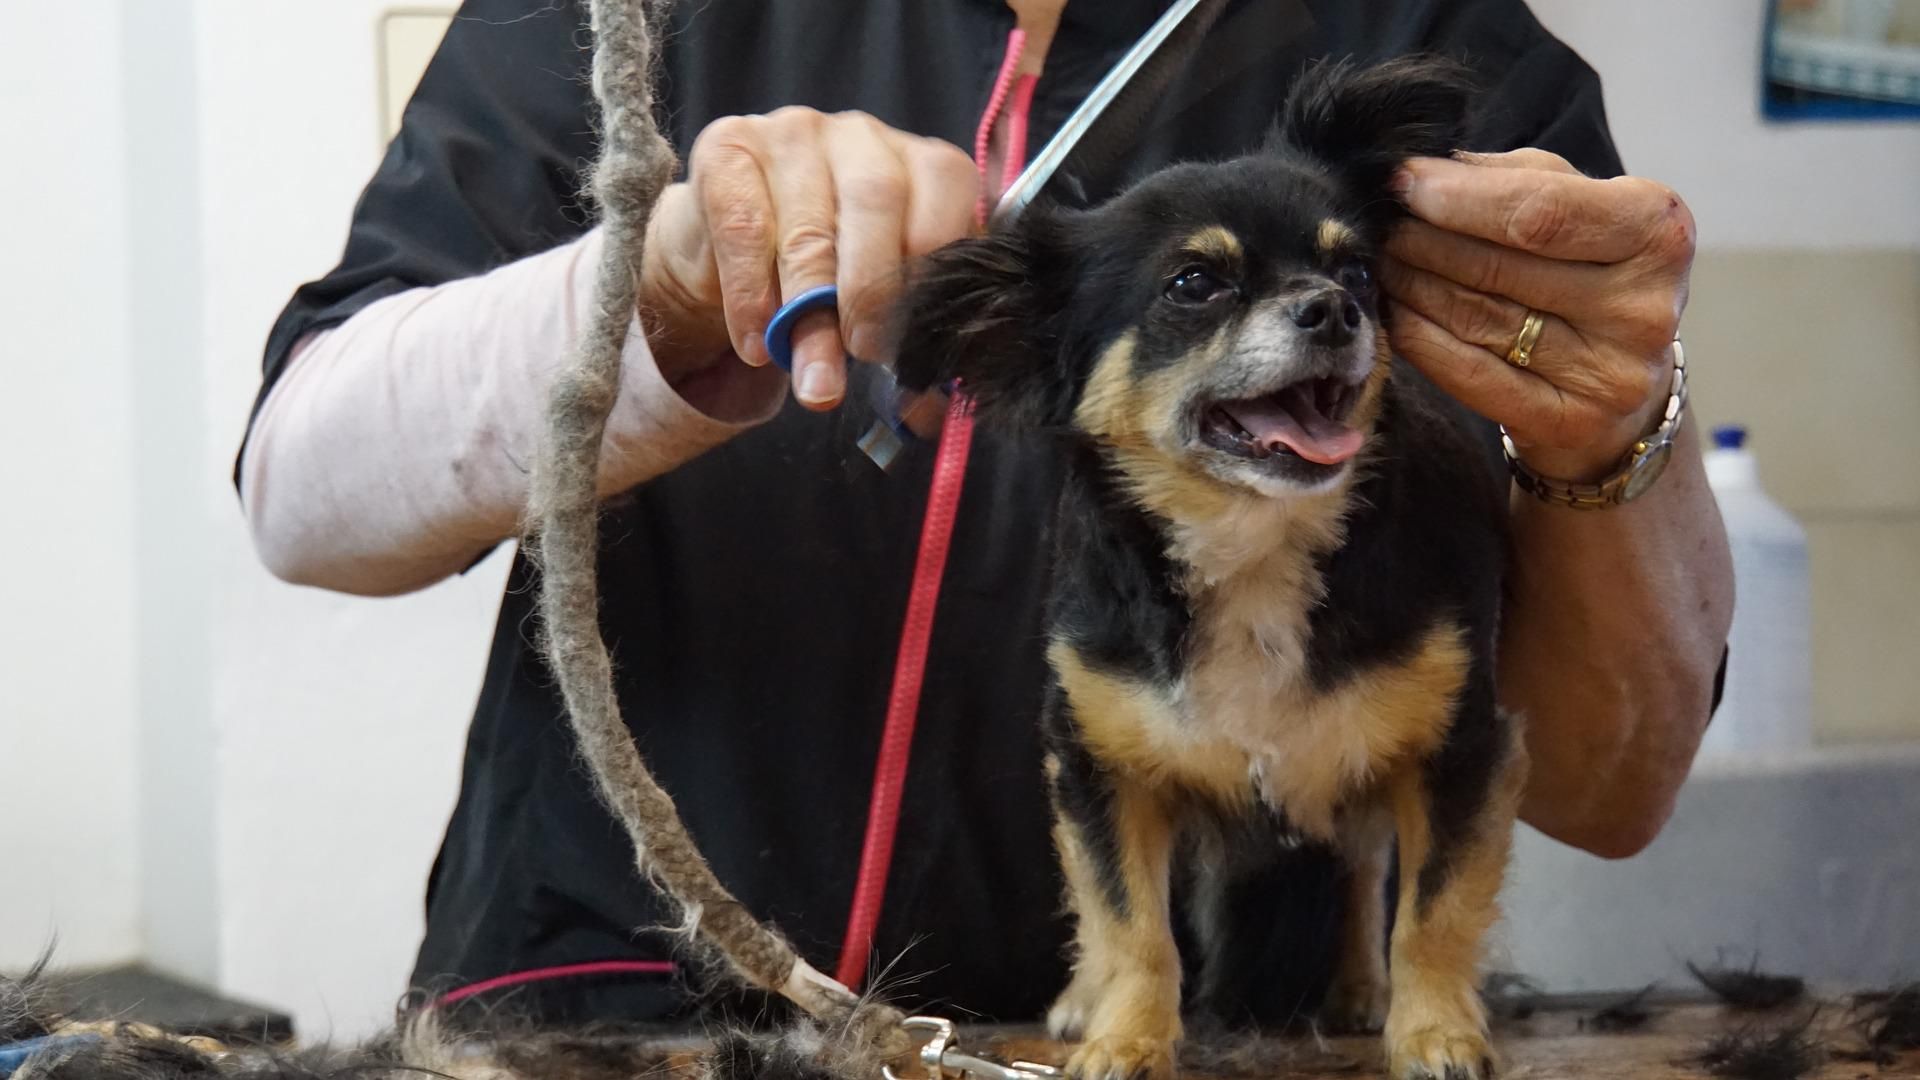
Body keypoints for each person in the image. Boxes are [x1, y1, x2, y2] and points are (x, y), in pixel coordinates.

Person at [236, 0, 1733, 1029]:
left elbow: (1612, 786)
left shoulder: (1432, 56)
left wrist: (1616, 429)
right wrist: (674, 279)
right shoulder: (639, 14)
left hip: (1175, 1038)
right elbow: (303, 491)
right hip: (609, 1015)